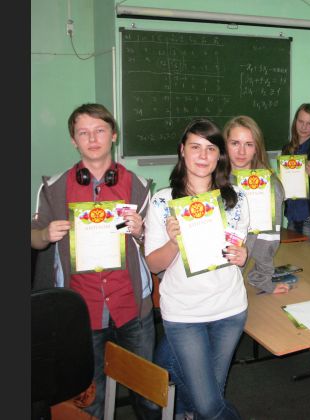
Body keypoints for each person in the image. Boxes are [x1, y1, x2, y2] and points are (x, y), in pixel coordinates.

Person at [30, 103, 158, 419]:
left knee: (148, 397)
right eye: (83, 132)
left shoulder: (138, 185)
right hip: (81, 311)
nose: (92, 138)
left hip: (132, 306)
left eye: (100, 130)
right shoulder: (54, 188)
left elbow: (154, 245)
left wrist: (142, 231)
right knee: (88, 398)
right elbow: (33, 237)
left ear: (113, 135)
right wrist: (45, 233)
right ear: (73, 140)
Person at [145, 118, 249, 420]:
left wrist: (242, 255)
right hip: (184, 315)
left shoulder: (236, 198)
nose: (203, 156)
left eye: (210, 149)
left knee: (209, 400)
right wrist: (174, 242)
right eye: (195, 147)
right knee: (208, 405)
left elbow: (238, 249)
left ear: (219, 156)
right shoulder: (163, 202)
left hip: (229, 309)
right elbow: (153, 263)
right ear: (182, 150)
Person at [223, 115, 289, 294]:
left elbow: (268, 239)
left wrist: (262, 279)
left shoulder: (270, 186)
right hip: (210, 280)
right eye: (235, 143)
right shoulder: (210, 181)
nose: (241, 151)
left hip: (234, 286)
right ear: (225, 145)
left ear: (257, 148)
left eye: (249, 144)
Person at [281, 103, 310, 248]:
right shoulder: (287, 149)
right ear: (295, 121)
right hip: (292, 215)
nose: (303, 127)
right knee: (292, 257)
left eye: (309, 124)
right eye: (301, 121)